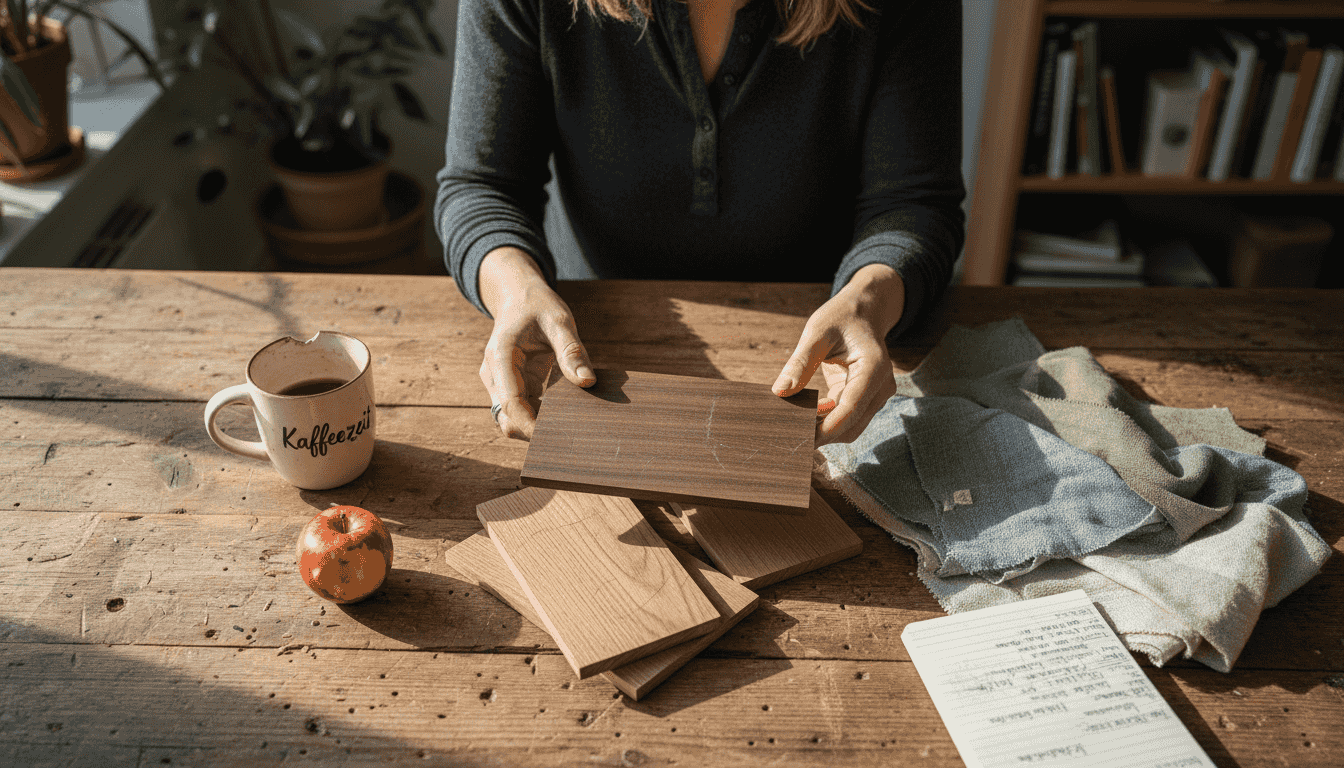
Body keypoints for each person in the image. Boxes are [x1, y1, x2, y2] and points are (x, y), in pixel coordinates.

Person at [435, 0, 965, 445]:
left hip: (823, 350)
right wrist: (513, 289)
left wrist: (870, 301)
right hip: (585, 338)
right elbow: (483, 187)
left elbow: (915, 203)